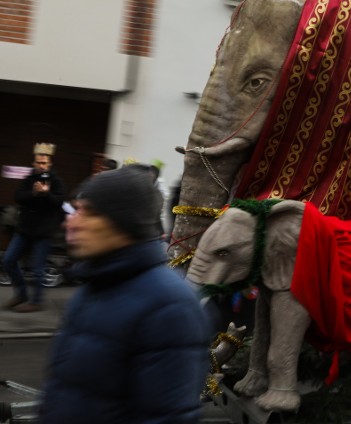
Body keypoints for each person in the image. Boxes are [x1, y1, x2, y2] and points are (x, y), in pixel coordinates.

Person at [39, 165, 210, 424]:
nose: (71, 222)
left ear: (123, 223)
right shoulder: (93, 287)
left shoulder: (170, 306)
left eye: (88, 212)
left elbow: (166, 417)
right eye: (75, 209)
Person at [2, 143, 66, 313]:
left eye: (44, 163)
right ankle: (21, 294)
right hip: (24, 229)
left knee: (38, 269)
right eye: (38, 162)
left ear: (49, 164)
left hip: (43, 232)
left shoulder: (56, 181)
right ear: (33, 163)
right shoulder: (28, 179)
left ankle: (36, 302)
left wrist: (46, 193)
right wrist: (34, 193)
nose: (41, 165)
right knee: (8, 260)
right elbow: (18, 196)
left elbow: (59, 202)